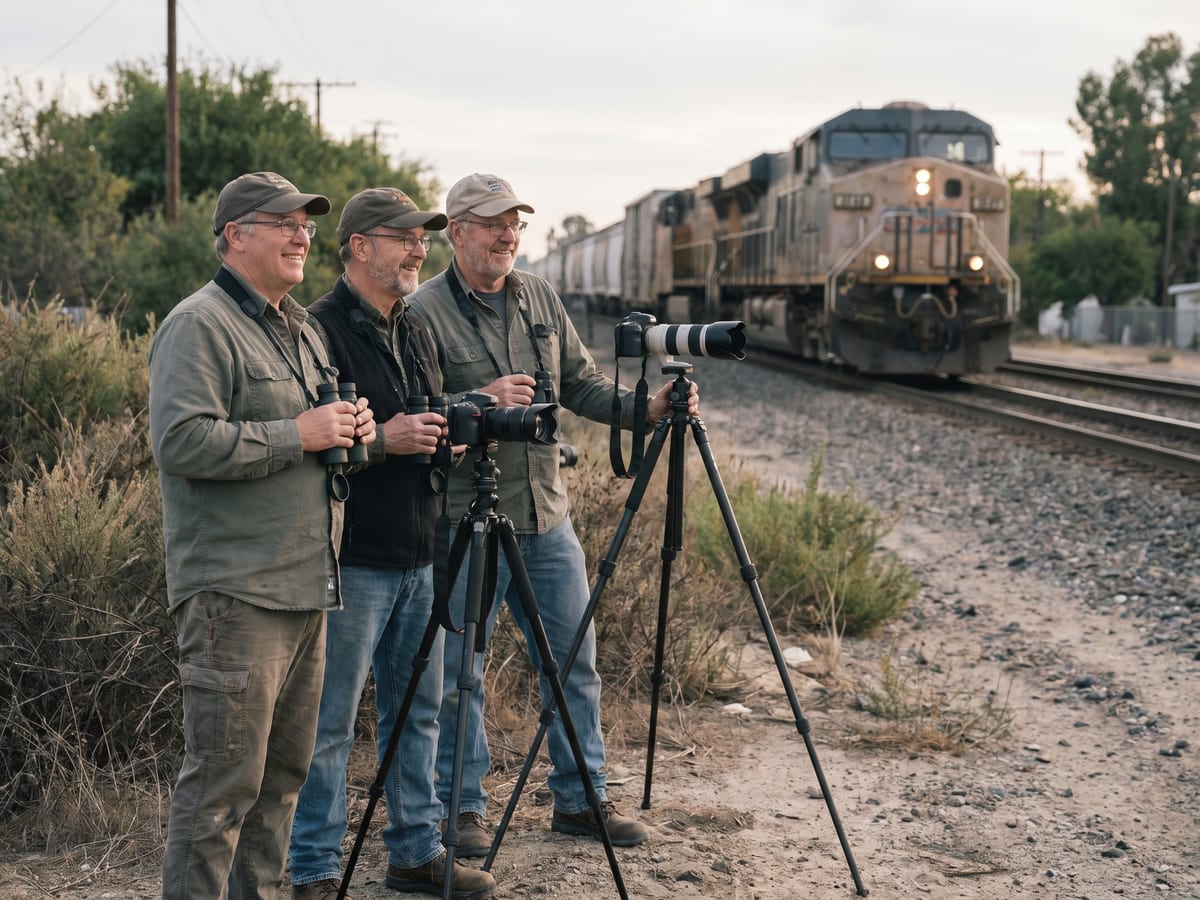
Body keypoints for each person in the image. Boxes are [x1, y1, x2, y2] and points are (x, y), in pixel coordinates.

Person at [408, 173, 698, 856]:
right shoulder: (422, 312)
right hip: (464, 519)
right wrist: (480, 395)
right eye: (491, 223)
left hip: (546, 517)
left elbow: (584, 384)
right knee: (459, 677)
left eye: (514, 223)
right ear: (457, 232)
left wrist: (649, 411)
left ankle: (581, 799)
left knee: (572, 662)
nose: (507, 234)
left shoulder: (538, 294)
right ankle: (463, 811)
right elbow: (413, 409)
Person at [149, 171, 376, 899]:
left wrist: (353, 433)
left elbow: (317, 440)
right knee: (221, 791)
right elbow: (181, 443)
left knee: (281, 784)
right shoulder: (199, 323)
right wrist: (297, 432)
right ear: (235, 236)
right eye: (283, 222)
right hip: (236, 596)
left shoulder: (300, 326)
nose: (302, 234)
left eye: (306, 224)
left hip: (306, 587)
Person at [287, 189, 494, 900]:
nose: (417, 250)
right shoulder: (318, 329)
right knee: (331, 721)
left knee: (418, 712)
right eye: (402, 238)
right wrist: (387, 438)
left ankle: (414, 853)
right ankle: (312, 869)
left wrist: (453, 432)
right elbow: (313, 440)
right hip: (353, 559)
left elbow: (424, 415)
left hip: (419, 550)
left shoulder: (416, 327)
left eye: (422, 240)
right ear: (358, 247)